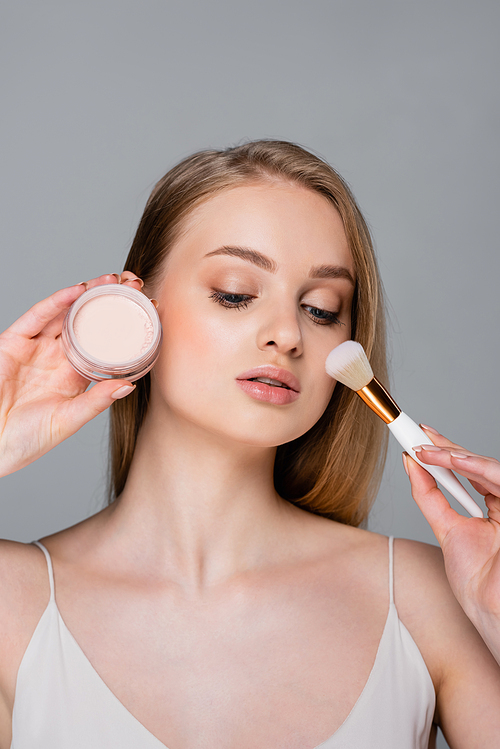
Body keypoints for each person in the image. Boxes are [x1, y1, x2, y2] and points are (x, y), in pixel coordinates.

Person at [0, 140, 499, 748]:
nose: (288, 334)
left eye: (321, 309)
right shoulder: (13, 602)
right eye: (235, 293)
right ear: (138, 307)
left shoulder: (429, 597)